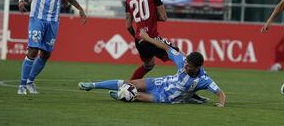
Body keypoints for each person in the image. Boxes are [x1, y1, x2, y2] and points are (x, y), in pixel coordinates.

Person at [78, 30, 226, 107]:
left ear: (197, 68)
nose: (185, 66)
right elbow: (166, 47)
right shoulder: (183, 60)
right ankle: (93, 85)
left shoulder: (204, 80)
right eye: (185, 63)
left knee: (136, 96)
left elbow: (220, 93)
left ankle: (122, 95)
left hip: (166, 98)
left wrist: (221, 103)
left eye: (189, 66)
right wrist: (148, 38)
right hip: (161, 83)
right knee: (130, 83)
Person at [17, 0, 87, 95]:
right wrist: (21, 0)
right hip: (37, 17)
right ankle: (21, 85)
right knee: (33, 50)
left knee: (46, 54)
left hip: (53, 20)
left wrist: (80, 9)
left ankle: (30, 81)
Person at [125, 0, 173, 80]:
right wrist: (151, 17)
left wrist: (139, 38)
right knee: (183, 58)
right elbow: (164, 17)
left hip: (139, 40)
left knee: (148, 65)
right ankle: (190, 91)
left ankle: (129, 86)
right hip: (152, 39)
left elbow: (128, 26)